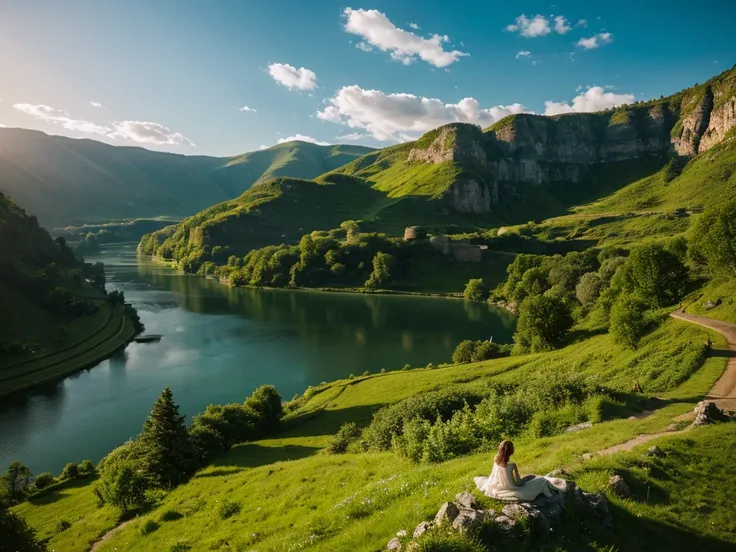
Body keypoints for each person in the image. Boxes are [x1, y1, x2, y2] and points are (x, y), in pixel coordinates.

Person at [474, 440, 566, 501]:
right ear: (511, 451)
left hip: (499, 486)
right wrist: (527, 478)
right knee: (542, 480)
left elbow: (495, 476)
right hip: (512, 488)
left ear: (500, 450)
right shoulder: (511, 465)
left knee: (536, 479)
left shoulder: (496, 459)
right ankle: (554, 493)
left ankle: (551, 491)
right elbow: (518, 483)